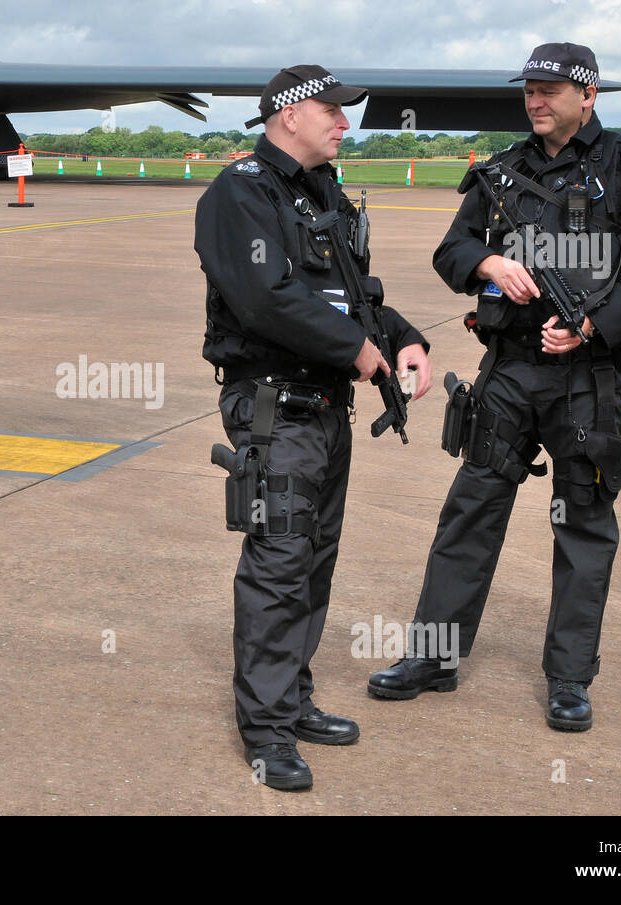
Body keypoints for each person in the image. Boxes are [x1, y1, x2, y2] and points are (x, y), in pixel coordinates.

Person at [367, 43, 621, 731]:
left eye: (549, 90)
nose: (535, 101)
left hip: (588, 380)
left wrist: (595, 326)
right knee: (470, 509)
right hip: (510, 370)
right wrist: (488, 261)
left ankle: (569, 677)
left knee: (581, 523)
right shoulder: (503, 172)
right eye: (529, 91)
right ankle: (434, 657)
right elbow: (450, 250)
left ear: (588, 95)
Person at [196, 65, 432, 789]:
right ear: (289, 114)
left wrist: (401, 337)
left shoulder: (320, 194)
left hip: (326, 407)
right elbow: (267, 301)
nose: (344, 122)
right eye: (332, 109)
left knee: (314, 558)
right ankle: (265, 730)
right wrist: (357, 350)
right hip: (274, 405)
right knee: (278, 562)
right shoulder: (239, 193)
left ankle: (292, 701)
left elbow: (356, 296)